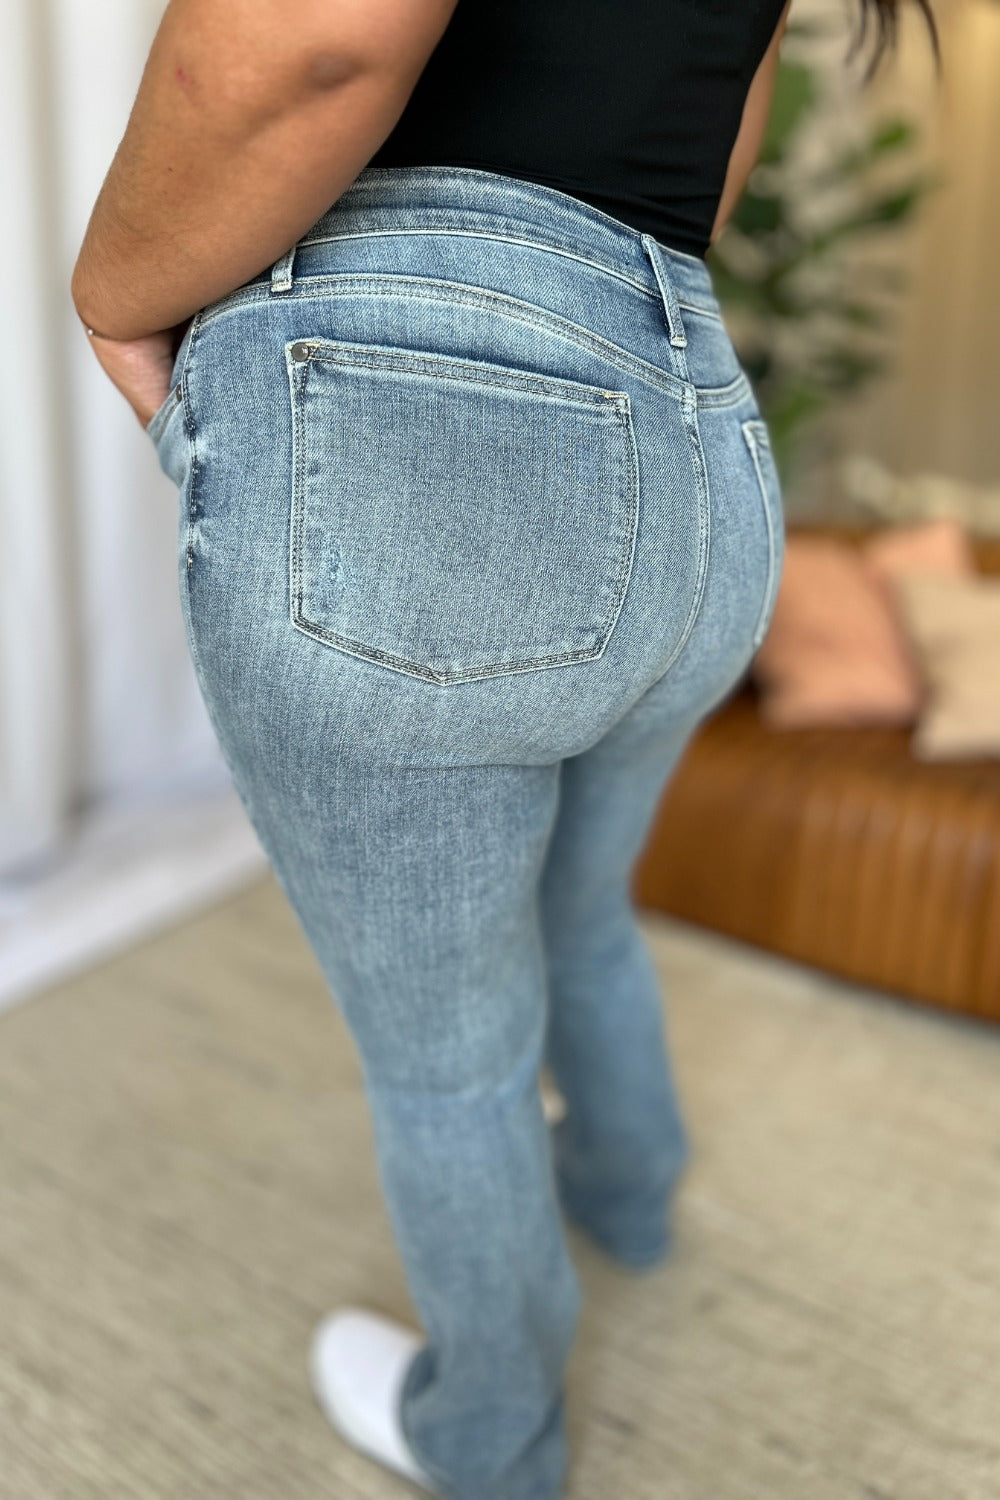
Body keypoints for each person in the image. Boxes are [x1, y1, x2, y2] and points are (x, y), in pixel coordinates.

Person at [72, 1, 941, 1496]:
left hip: (418, 393)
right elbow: (716, 149)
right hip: (700, 444)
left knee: (449, 1058)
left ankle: (490, 1437)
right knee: (584, 906)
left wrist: (110, 294)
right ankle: (631, 1192)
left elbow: (309, 39)